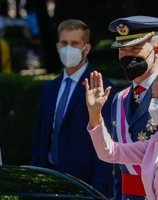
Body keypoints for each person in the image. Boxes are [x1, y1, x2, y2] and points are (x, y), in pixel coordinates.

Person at [30, 19, 117, 198]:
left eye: (75, 43)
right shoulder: (49, 88)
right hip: (48, 180)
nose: (68, 48)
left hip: (83, 185)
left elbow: (107, 142)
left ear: (86, 48)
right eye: (64, 43)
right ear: (57, 46)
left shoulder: (101, 88)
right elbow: (40, 137)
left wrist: (97, 190)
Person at [85, 68, 158, 200]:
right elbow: (109, 152)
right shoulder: (157, 141)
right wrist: (95, 113)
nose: (155, 102)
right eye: (153, 97)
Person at [94, 15, 158, 200]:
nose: (128, 55)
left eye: (135, 48)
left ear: (157, 50)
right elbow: (118, 167)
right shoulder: (119, 99)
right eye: (122, 50)